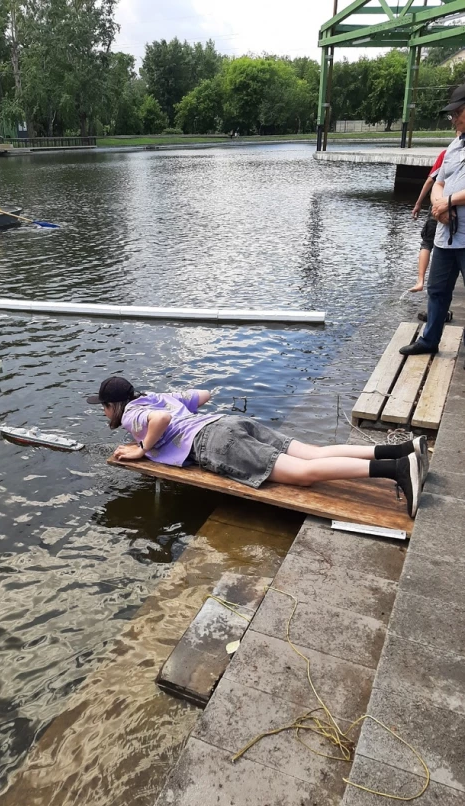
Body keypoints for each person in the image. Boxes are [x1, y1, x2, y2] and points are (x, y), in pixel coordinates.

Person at [87, 377, 428, 518]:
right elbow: (202, 396)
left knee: (304, 474)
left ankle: (397, 471)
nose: (104, 412)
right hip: (227, 424)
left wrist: (142, 449)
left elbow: (159, 419)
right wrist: (183, 400)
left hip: (215, 443)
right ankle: (401, 451)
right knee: (313, 452)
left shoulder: (133, 414)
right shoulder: (154, 396)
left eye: (103, 406)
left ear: (115, 405)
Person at [400, 84, 465, 356]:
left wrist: (449, 202)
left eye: (457, 113)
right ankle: (429, 341)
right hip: (445, 237)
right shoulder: (454, 145)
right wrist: (439, 203)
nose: (453, 119)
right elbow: (439, 181)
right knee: (437, 291)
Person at [410, 149, 446, 293]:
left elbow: (431, 180)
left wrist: (418, 203)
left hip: (437, 205)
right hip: (455, 208)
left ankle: (420, 280)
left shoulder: (446, 153)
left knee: (426, 243)